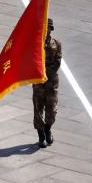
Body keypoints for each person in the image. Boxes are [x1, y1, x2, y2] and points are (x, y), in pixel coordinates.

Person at [33, 19, 62, 148]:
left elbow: (57, 62)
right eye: (45, 28)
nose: (47, 30)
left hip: (51, 82)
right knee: (38, 109)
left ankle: (47, 128)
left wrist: (46, 72)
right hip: (38, 83)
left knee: (52, 109)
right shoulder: (36, 43)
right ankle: (41, 136)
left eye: (49, 28)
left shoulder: (56, 43)